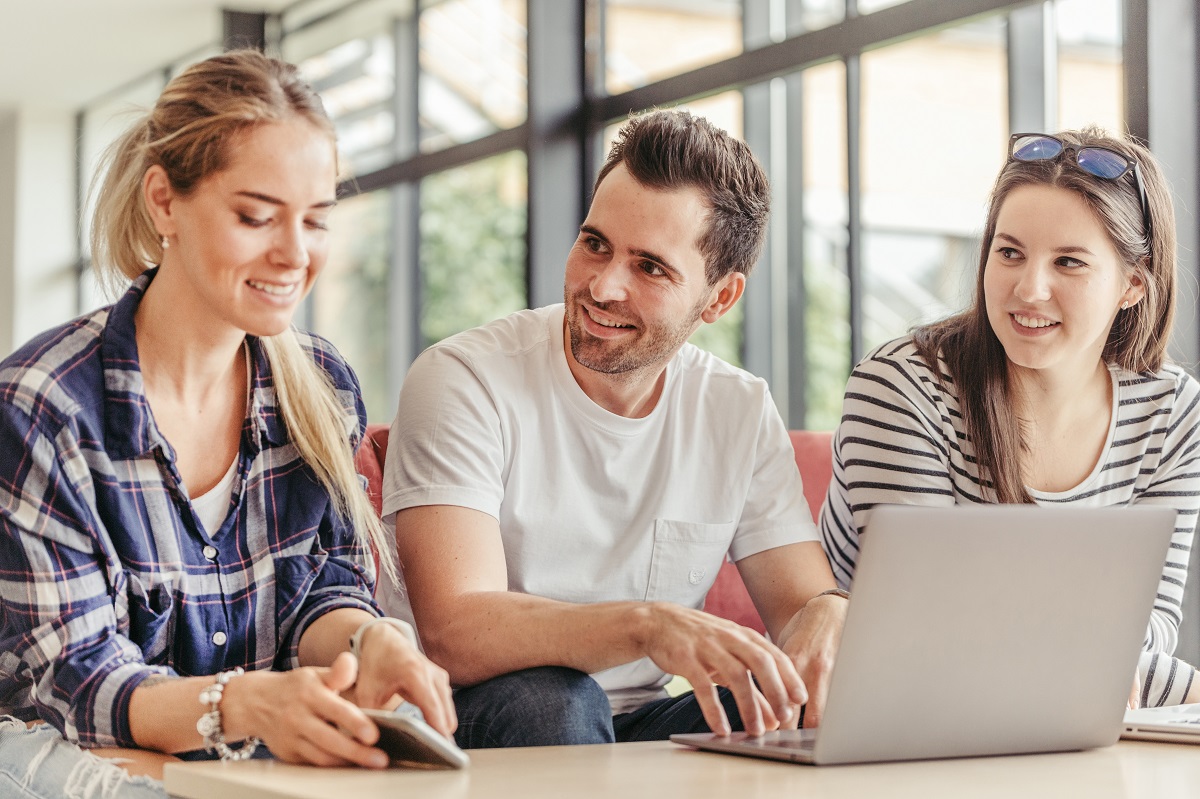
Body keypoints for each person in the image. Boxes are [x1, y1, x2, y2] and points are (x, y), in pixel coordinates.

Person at [0, 50, 455, 798]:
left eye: (316, 220)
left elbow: (322, 590)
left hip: (248, 777)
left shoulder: (322, 386)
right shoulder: (44, 409)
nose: (295, 253)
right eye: (256, 215)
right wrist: (241, 705)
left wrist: (369, 641)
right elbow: (78, 682)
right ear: (164, 202)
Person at [380, 109, 847, 750]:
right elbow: (455, 629)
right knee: (557, 700)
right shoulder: (464, 378)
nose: (602, 286)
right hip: (465, 710)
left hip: (635, 724)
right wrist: (648, 627)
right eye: (595, 243)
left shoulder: (737, 410)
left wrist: (827, 610)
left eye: (650, 268)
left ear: (719, 299)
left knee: (799, 701)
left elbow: (799, 610)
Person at [819, 128, 1200, 707]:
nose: (1029, 288)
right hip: (890, 717)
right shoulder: (903, 386)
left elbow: (1146, 629)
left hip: (1059, 719)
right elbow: (922, 621)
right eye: (1010, 252)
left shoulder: (1173, 413)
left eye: (1068, 262)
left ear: (1132, 285)